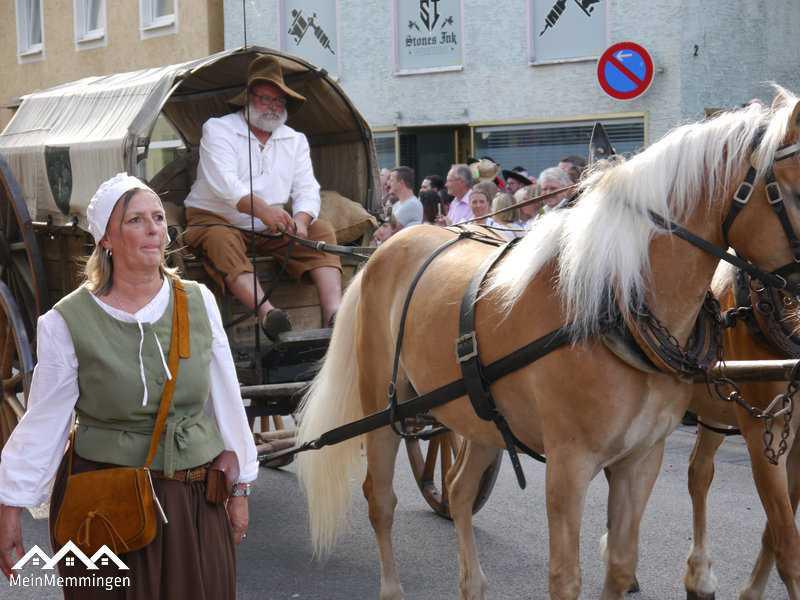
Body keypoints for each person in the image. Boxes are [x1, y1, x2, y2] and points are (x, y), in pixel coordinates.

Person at [0, 173, 258, 598]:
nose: (154, 228)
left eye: (158, 217)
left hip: (192, 501)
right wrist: (11, 503)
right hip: (105, 506)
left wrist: (242, 485)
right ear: (106, 239)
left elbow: (226, 399)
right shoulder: (66, 322)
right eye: (136, 219)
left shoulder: (198, 302)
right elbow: (45, 421)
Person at [182, 54, 342, 340]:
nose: (272, 107)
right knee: (221, 239)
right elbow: (226, 185)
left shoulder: (295, 140)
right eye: (265, 99)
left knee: (322, 231)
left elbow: (307, 188)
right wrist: (267, 212)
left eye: (279, 101)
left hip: (271, 227)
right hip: (216, 218)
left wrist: (301, 222)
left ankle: (335, 313)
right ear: (247, 98)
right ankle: (269, 314)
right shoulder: (218, 129)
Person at [371, 166, 423, 244]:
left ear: (401, 183)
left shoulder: (412, 204)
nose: (388, 183)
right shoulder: (397, 204)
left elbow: (387, 232)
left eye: (391, 180)